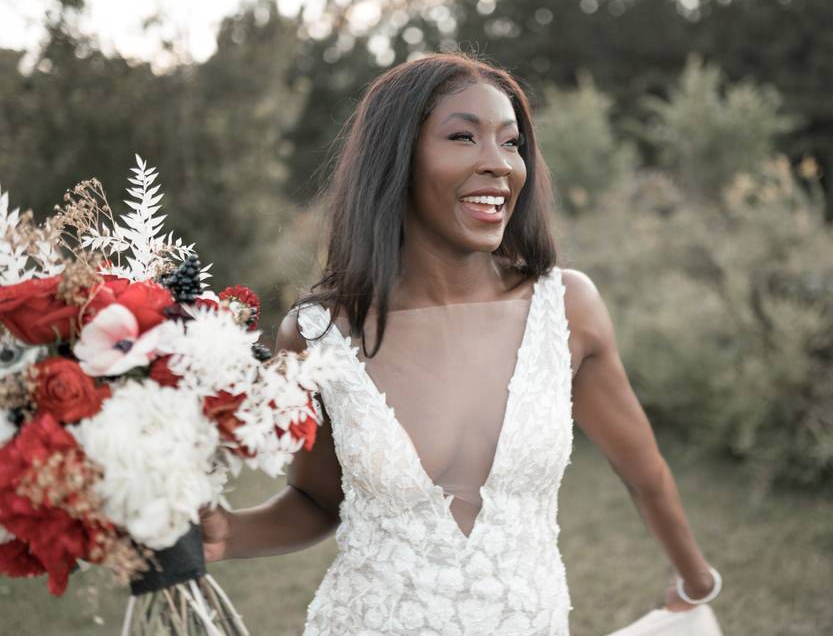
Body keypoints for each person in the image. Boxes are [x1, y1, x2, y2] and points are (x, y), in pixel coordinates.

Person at [200, 52, 721, 635]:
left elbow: (643, 469)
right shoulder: (318, 334)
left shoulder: (566, 309)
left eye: (511, 142)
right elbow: (318, 502)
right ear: (397, 158)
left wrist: (697, 583)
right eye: (463, 137)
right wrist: (226, 534)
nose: (499, 165)